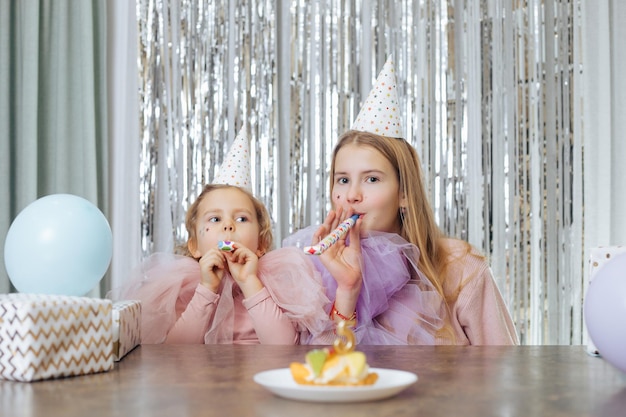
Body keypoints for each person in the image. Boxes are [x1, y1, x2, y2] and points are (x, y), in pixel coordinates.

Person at [284, 57, 518, 345]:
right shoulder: (314, 273)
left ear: (404, 193)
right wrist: (347, 290)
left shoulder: (461, 267)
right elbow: (327, 376)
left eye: (371, 179)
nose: (353, 194)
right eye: (343, 180)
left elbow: (505, 368)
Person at [109, 129, 330, 344]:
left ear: (261, 244)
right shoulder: (182, 287)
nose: (228, 226)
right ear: (195, 246)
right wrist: (206, 289)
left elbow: (283, 349)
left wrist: (249, 281)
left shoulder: (277, 283)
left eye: (242, 219)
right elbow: (175, 353)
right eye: (215, 219)